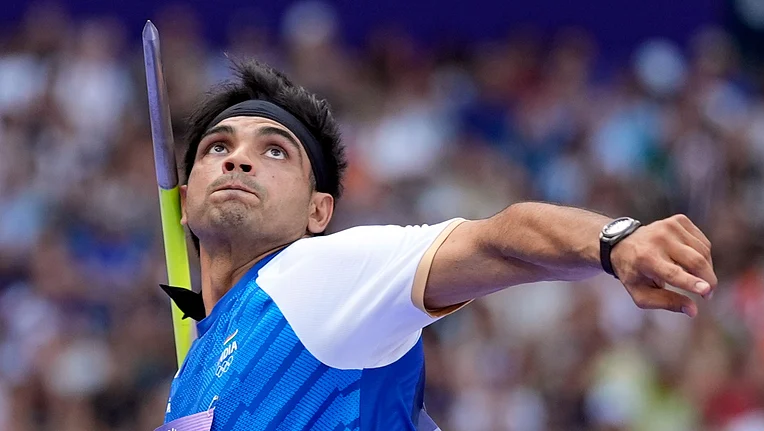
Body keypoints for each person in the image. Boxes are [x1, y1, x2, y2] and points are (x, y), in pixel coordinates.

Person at [157, 60, 717, 431]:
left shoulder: (311, 274)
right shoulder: (192, 369)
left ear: (318, 211)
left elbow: (497, 240)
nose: (237, 158)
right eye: (216, 147)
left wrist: (614, 241)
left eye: (276, 150)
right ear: (185, 203)